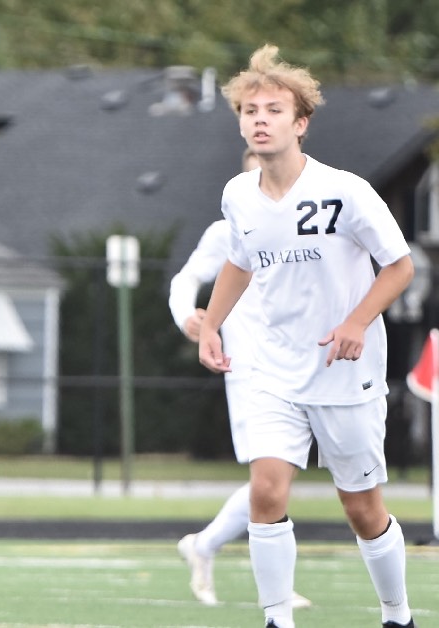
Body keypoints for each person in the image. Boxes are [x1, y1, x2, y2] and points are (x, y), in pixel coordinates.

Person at [198, 44, 415, 628]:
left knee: (361, 508)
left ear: (301, 123)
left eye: (273, 109)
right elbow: (240, 263)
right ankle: (277, 620)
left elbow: (399, 267)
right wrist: (211, 324)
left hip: (346, 370)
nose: (260, 119)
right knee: (266, 493)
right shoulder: (237, 195)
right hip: (272, 368)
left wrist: (356, 321)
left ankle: (398, 615)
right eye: (250, 110)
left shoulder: (346, 190)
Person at [170, 149, 310, 609]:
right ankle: (264, 579)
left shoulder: (304, 225)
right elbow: (185, 280)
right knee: (270, 477)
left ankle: (207, 546)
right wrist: (187, 316)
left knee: (278, 478)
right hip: (248, 366)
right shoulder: (226, 231)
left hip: (300, 365)